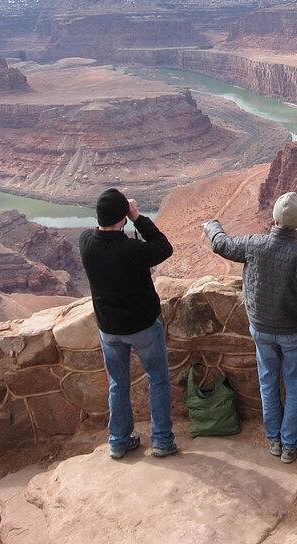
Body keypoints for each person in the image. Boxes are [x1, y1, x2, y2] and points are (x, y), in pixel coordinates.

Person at [203, 192, 297, 463]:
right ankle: (289, 445)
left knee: (268, 382)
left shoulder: (254, 244)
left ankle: (273, 439)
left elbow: (220, 245)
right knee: (294, 385)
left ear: (273, 218)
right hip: (293, 331)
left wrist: (212, 224)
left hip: (260, 327)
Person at [79, 188, 176, 460]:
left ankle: (118, 442)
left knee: (117, 384)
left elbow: (99, 231)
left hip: (109, 330)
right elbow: (163, 247)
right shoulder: (132, 249)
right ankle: (162, 441)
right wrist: (136, 217)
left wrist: (118, 216)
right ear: (122, 218)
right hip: (143, 326)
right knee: (157, 379)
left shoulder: (86, 243)